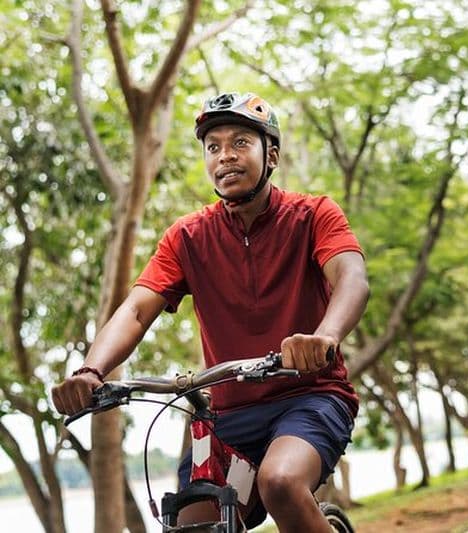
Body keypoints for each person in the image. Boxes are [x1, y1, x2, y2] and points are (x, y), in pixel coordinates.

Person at [51, 92, 370, 532]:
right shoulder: (187, 237)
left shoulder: (314, 214)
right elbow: (137, 311)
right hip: (230, 419)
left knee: (280, 481)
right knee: (191, 521)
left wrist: (325, 336)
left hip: (310, 397)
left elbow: (351, 277)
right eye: (213, 146)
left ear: (271, 154)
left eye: (241, 142)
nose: (225, 156)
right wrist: (90, 371)